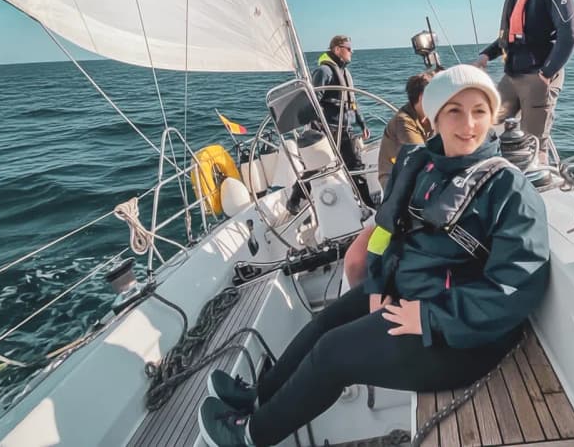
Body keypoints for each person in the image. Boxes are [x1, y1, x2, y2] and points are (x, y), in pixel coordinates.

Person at [197, 65, 551, 447]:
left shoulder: (509, 190)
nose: (469, 124)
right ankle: (259, 396)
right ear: (433, 117)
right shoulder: (423, 166)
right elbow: (387, 237)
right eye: (454, 111)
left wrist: (430, 316)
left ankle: (250, 437)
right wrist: (379, 284)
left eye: (480, 111)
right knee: (323, 324)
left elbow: (515, 287)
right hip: (409, 295)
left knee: (333, 354)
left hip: (459, 335)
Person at [475, 0, 574, 157]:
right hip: (512, 76)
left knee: (533, 145)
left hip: (537, 77)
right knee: (486, 124)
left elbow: (570, 34)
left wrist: (546, 73)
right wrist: (486, 55)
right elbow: (514, 35)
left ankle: (533, 187)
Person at [310, 35, 371, 203]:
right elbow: (314, 101)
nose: (352, 52)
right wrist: (318, 126)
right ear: (337, 49)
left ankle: (368, 204)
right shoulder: (324, 72)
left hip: (346, 128)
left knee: (356, 167)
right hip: (330, 129)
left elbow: (351, 102)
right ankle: (294, 198)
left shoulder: (344, 72)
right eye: (349, 48)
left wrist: (362, 123)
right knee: (319, 166)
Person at [377, 72, 433, 188]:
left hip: (412, 172)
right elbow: (422, 157)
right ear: (422, 97)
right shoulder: (403, 121)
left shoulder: (427, 115)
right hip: (393, 179)